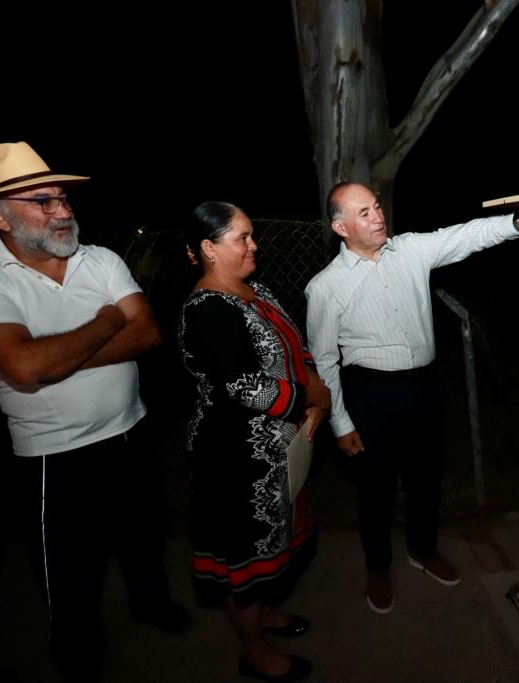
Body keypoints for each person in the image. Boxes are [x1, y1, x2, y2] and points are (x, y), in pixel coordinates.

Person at [0, 142, 189, 682]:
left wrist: (57, 354)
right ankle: (78, 650)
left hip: (131, 431)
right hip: (53, 459)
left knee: (143, 538)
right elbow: (26, 367)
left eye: (63, 199)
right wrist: (107, 321)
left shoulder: (100, 259)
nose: (63, 212)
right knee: (68, 569)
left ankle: (151, 605)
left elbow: (148, 332)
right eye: (43, 202)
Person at [305, 182, 519, 614]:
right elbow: (325, 360)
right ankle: (378, 566)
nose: (378, 216)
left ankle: (423, 550)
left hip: (423, 387)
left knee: (426, 477)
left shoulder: (409, 250)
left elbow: (466, 235)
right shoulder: (325, 287)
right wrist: (342, 423)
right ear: (340, 226)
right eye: (364, 212)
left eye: (376, 207)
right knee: (377, 488)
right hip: (371, 394)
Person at [178, 201, 330, 682]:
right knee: (245, 562)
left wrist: (311, 381)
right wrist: (309, 394)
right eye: (241, 237)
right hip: (236, 459)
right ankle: (253, 649)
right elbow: (243, 386)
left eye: (251, 235)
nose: (253, 245)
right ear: (208, 249)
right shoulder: (207, 309)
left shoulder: (254, 290)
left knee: (274, 546)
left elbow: (294, 341)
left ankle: (263, 615)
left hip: (277, 449)